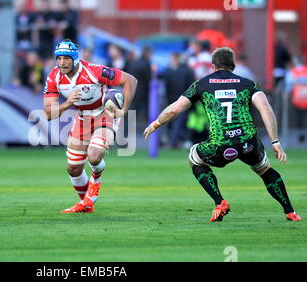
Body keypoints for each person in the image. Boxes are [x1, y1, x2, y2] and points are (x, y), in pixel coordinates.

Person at [144, 47, 301, 222]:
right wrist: (275, 141)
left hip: (221, 144)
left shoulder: (201, 84)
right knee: (264, 170)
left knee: (194, 158)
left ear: (213, 66)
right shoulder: (249, 84)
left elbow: (174, 110)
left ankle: (220, 202)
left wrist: (156, 124)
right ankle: (290, 211)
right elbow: (266, 109)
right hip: (247, 142)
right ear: (233, 66)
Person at [43, 39, 137, 213]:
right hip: (81, 118)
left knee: (94, 156)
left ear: (75, 58)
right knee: (73, 168)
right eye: (59, 58)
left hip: (104, 114)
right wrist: (67, 104)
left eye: (66, 58)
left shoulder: (94, 71)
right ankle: (86, 205)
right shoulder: (53, 77)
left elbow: (130, 80)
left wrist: (123, 110)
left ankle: (95, 184)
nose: (62, 62)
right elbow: (48, 114)